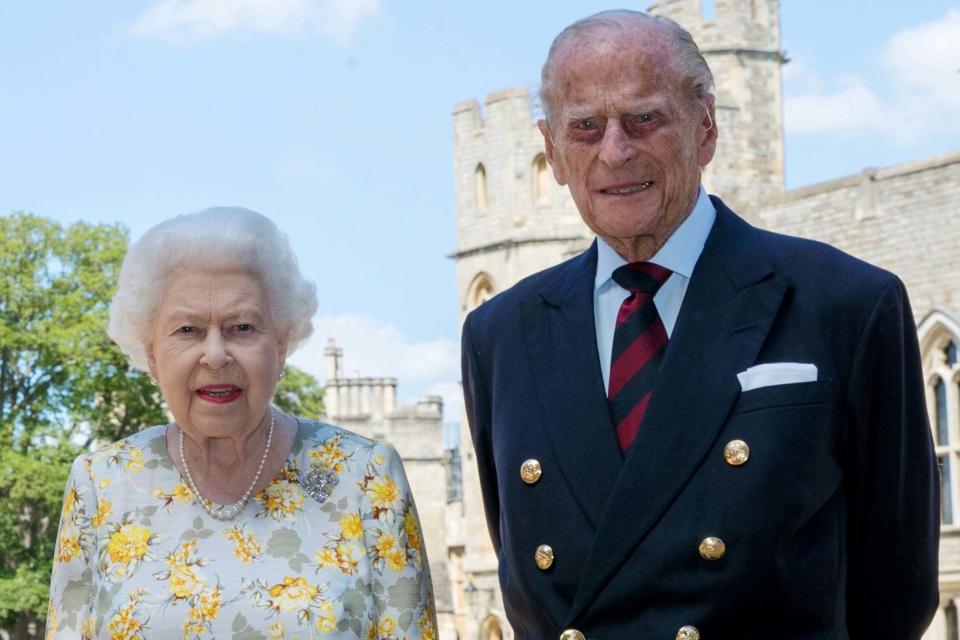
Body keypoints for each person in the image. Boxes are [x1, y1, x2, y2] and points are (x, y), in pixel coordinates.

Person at [460, 10, 939, 640]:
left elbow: (896, 592)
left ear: (705, 129)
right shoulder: (500, 334)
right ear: (551, 151)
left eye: (644, 119)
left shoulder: (846, 305)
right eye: (585, 127)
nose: (615, 151)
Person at [47, 208, 437, 638]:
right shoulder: (100, 484)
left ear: (281, 345)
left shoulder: (366, 477)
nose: (215, 354)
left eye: (242, 327)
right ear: (153, 354)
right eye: (188, 330)